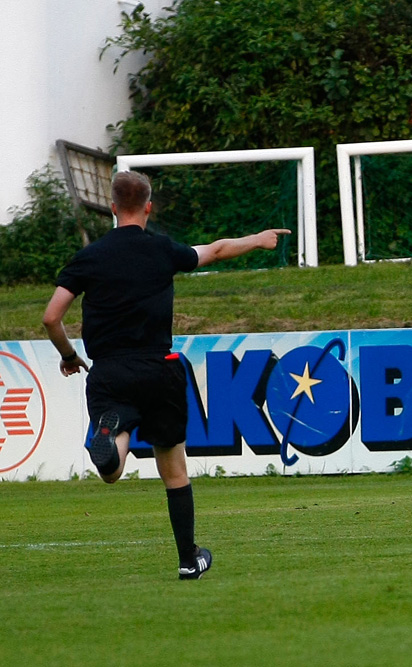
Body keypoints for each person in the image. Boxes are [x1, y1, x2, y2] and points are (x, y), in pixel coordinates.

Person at [42, 170, 290, 579]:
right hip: (160, 369)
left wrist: (69, 355)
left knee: (112, 472)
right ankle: (188, 560)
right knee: (174, 470)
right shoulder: (162, 250)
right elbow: (216, 250)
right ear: (149, 207)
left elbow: (51, 317)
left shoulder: (90, 257)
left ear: (112, 207)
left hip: (109, 372)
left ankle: (111, 435)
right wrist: (259, 240)